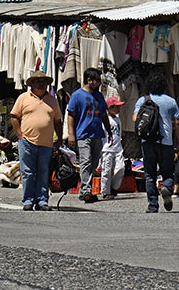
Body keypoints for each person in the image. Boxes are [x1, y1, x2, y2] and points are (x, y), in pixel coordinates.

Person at [10, 70, 63, 211]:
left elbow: (57, 121)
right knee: (27, 172)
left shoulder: (52, 101)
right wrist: (20, 135)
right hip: (27, 141)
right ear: (32, 84)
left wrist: (59, 138)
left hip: (47, 143)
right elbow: (14, 117)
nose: (41, 84)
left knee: (43, 172)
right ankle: (27, 201)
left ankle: (42, 201)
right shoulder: (23, 98)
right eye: (38, 82)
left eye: (43, 82)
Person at [133, 70, 179, 213]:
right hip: (166, 142)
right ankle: (167, 188)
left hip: (147, 141)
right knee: (168, 172)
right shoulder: (171, 101)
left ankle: (152, 205)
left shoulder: (143, 100)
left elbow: (135, 119)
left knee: (149, 174)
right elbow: (178, 123)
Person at [66, 67, 112, 204]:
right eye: (97, 80)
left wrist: (109, 132)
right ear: (89, 80)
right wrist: (71, 135)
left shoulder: (99, 96)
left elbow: (104, 115)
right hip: (83, 134)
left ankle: (84, 191)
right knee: (85, 162)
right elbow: (71, 116)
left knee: (94, 163)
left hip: (97, 134)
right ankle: (86, 190)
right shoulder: (77, 95)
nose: (99, 82)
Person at [99, 96, 126, 199]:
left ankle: (114, 187)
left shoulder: (118, 119)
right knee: (106, 170)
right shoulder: (106, 119)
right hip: (107, 148)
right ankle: (105, 191)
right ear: (110, 108)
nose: (118, 110)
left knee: (121, 168)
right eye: (116, 107)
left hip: (118, 148)